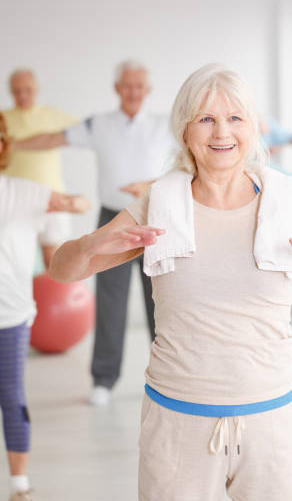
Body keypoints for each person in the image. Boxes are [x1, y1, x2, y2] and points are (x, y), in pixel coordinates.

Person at [48, 65, 292, 501]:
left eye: (236, 118)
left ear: (254, 126)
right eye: (205, 119)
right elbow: (61, 269)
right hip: (177, 423)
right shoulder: (158, 205)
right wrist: (92, 246)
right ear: (183, 129)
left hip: (274, 420)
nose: (222, 133)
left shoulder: (289, 198)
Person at [14, 60, 177, 406]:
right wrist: (10, 145)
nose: (133, 91)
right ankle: (103, 379)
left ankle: (168, 379)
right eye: (127, 85)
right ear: (117, 88)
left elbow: (191, 162)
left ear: (148, 90)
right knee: (110, 301)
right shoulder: (98, 124)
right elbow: (54, 138)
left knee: (161, 303)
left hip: (157, 219)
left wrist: (149, 185)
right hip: (113, 219)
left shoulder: (167, 125)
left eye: (139, 86)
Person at [0, 114, 90, 501]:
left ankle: (21, 490)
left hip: (12, 318)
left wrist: (77, 203)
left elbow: (69, 204)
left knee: (12, 398)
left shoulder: (22, 192)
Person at [2, 69, 77, 268]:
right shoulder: (3, 119)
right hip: (14, 203)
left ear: (36, 89)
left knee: (53, 258)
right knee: (16, 260)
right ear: (10, 91)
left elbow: (83, 133)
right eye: (17, 91)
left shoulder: (52, 116)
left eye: (27, 90)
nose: (22, 96)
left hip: (52, 199)